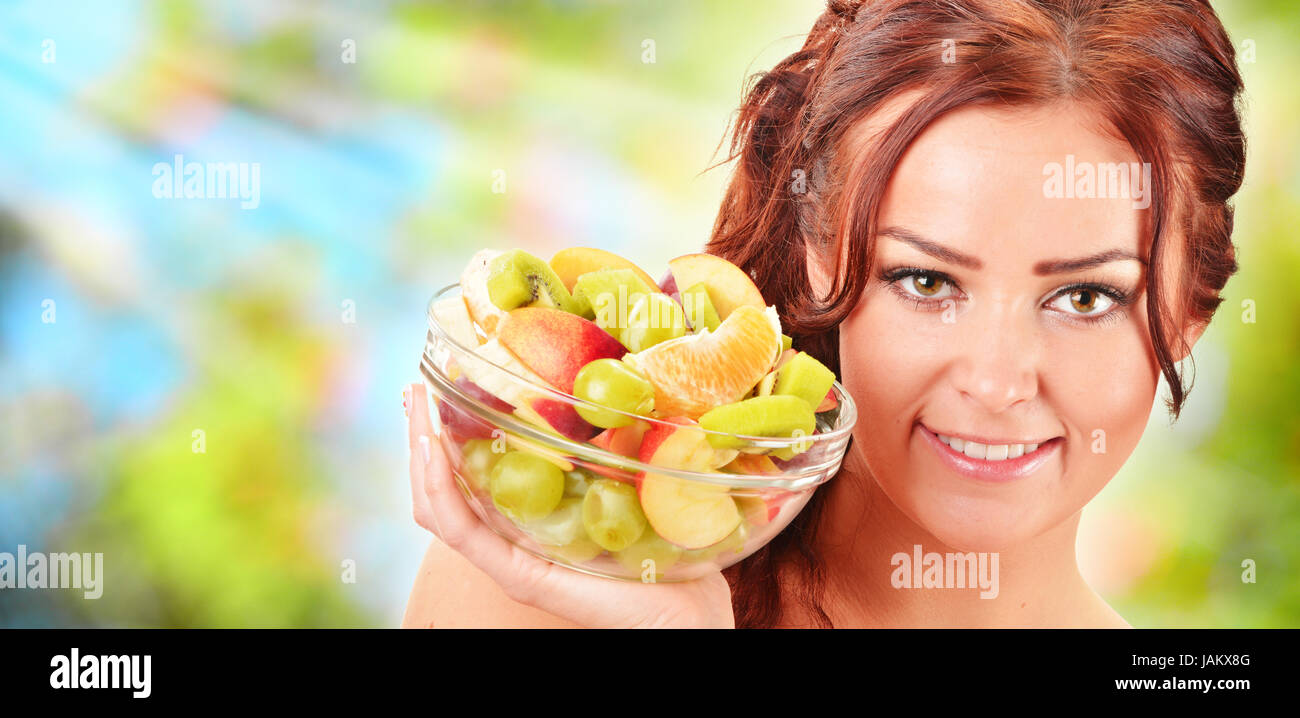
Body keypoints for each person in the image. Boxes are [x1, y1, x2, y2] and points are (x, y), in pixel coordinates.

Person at [402, 0, 1245, 628]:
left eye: (1085, 297)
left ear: (1188, 317)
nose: (995, 381)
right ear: (817, 258)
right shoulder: (562, 584)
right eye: (925, 280)